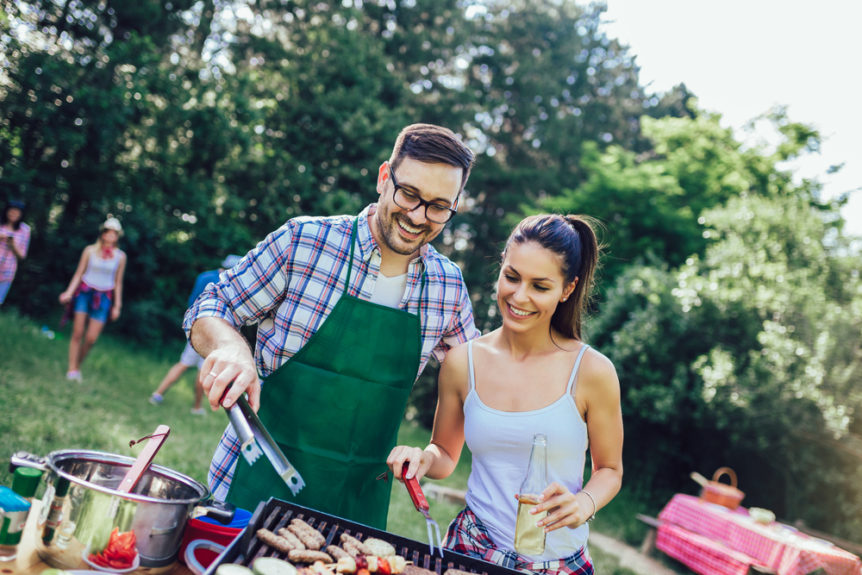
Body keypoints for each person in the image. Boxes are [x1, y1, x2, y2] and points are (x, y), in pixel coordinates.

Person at [184, 123, 480, 528]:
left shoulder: (448, 288)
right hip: (251, 489)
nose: (418, 216)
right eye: (408, 194)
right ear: (383, 178)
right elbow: (212, 304)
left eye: (439, 206)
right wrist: (232, 348)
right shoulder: (303, 241)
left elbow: (478, 385)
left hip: (355, 512)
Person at [386, 214, 624, 575]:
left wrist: (584, 502)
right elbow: (446, 453)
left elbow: (610, 469)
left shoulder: (592, 371)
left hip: (559, 564)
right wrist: (421, 459)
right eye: (511, 277)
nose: (519, 296)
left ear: (567, 289)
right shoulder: (462, 362)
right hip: (473, 550)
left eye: (540, 286)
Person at [149, 254, 243, 413]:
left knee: (183, 363)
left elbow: (192, 301)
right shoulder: (229, 284)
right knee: (204, 370)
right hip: (215, 332)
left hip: (196, 327)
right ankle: (197, 407)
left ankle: (157, 394)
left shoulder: (204, 277)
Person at [58, 217, 127, 381]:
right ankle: (72, 369)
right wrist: (69, 292)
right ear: (102, 233)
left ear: (117, 236)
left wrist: (117, 305)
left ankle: (77, 366)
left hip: (104, 296)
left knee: (91, 338)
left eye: (114, 233)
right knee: (78, 332)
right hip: (85, 291)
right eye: (108, 232)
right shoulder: (90, 251)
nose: (110, 235)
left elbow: (118, 282)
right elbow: (79, 273)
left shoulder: (120, 256)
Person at [0, 199, 30, 305]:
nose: (14, 214)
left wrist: (13, 245)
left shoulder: (25, 230)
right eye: (11, 210)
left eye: (17, 212)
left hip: (7, 271)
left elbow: (22, 255)